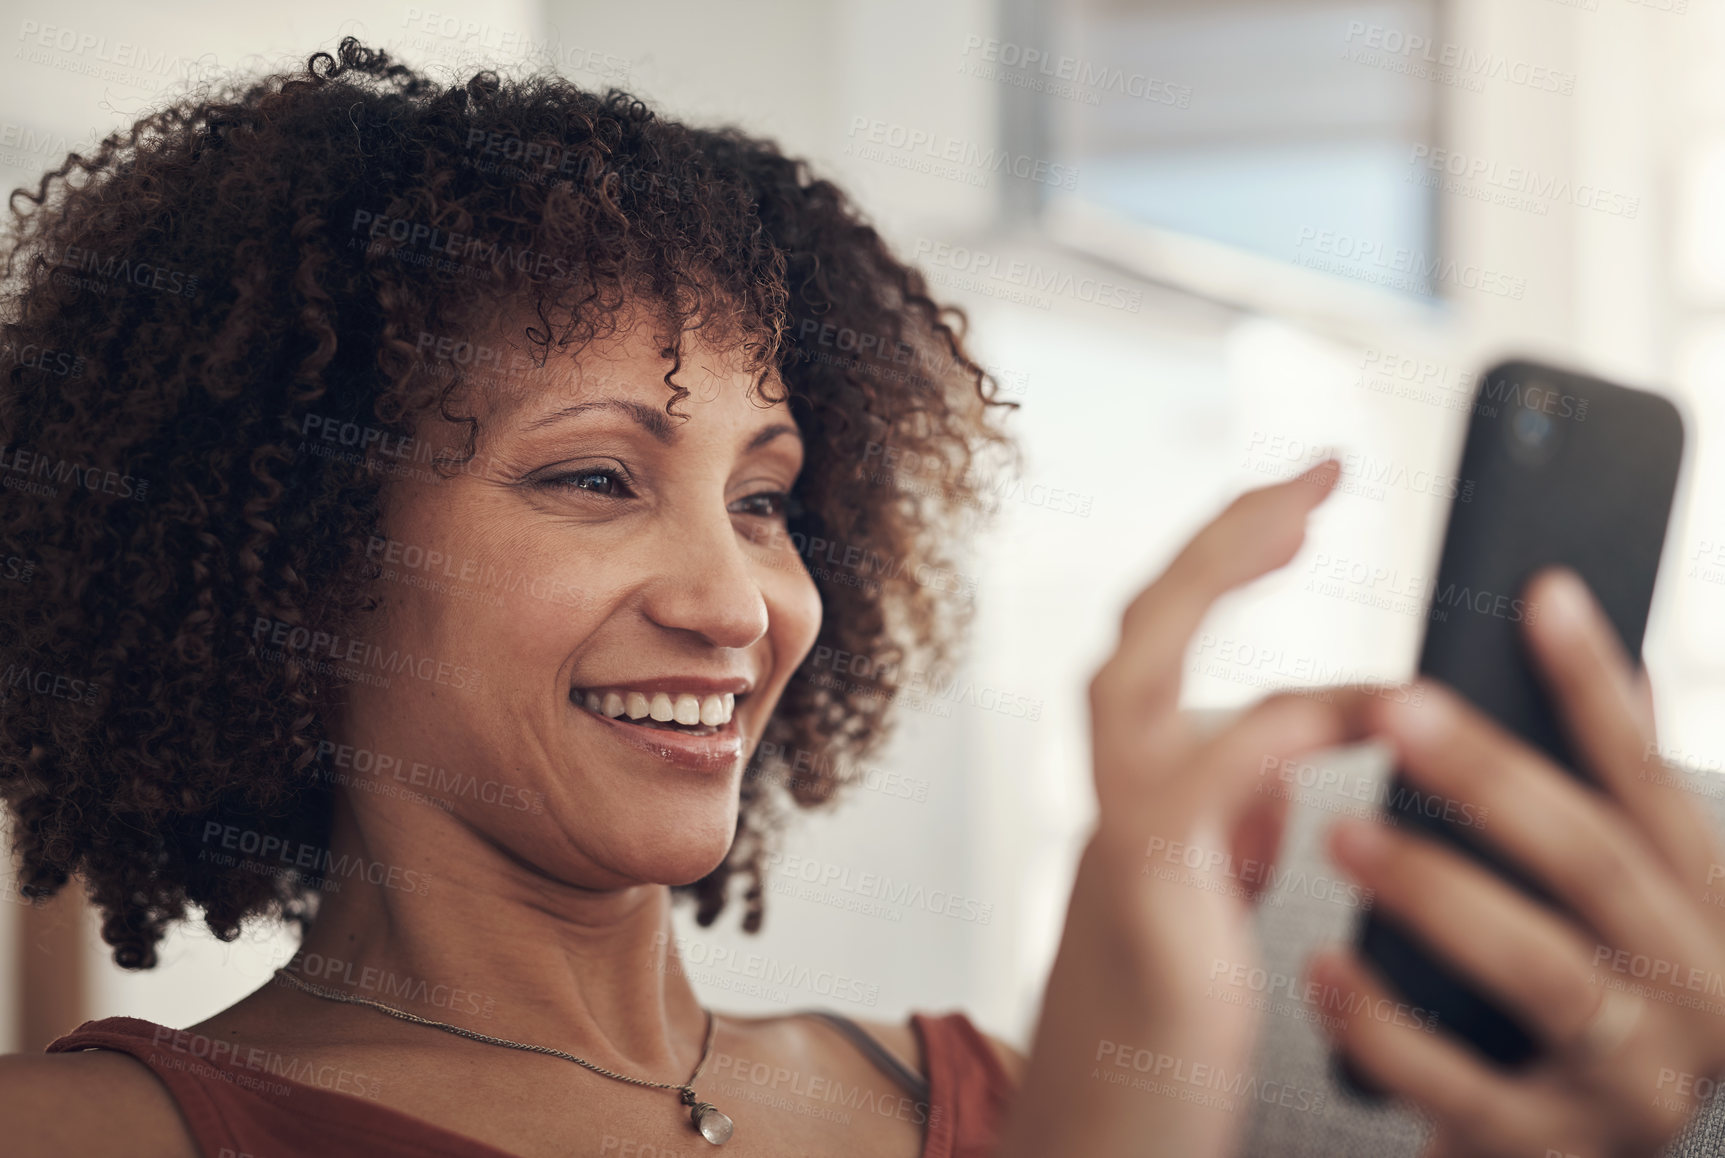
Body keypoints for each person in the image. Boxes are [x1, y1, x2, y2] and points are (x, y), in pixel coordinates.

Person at [1, 38, 1722, 1158]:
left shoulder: (988, 1086)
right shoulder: (91, 1132)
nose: (737, 601)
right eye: (594, 476)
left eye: (764, 501)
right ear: (303, 554)